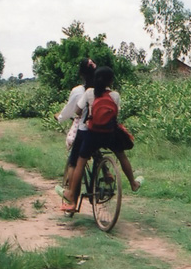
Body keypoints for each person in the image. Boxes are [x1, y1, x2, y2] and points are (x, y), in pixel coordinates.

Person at [60, 65, 142, 212]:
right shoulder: (115, 96)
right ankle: (133, 183)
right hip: (110, 134)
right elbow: (115, 114)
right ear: (110, 81)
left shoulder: (90, 92)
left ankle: (72, 196)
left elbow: (78, 111)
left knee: (80, 162)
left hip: (93, 135)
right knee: (122, 156)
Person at [56, 58, 96, 190]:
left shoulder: (80, 91)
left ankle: (71, 195)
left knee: (74, 161)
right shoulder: (104, 90)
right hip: (105, 129)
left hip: (85, 129)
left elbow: (72, 110)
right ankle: (106, 170)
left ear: (81, 74)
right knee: (96, 148)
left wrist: (60, 117)